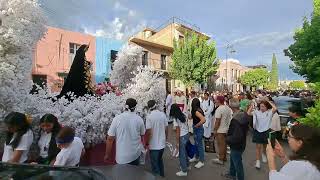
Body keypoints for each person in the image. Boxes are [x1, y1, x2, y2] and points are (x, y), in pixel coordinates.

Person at [104, 98, 146, 165]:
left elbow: (110, 139)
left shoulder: (117, 119)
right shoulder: (139, 119)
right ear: (135, 107)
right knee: (135, 174)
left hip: (121, 157)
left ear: (125, 106)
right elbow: (142, 135)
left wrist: (107, 154)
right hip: (135, 155)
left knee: (122, 175)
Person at [222, 99, 249, 180]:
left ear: (231, 107)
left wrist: (227, 139)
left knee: (237, 162)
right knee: (234, 159)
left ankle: (240, 178)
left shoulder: (236, 119)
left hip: (237, 144)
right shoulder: (243, 113)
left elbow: (236, 136)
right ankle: (232, 173)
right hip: (241, 142)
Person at [247, 100, 277, 169]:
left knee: (265, 145)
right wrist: (251, 106)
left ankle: (263, 154)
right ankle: (258, 161)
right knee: (258, 147)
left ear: (267, 107)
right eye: (260, 106)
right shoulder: (257, 112)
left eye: (263, 106)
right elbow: (248, 113)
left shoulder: (269, 112)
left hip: (266, 131)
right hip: (258, 131)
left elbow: (275, 108)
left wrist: (268, 101)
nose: (262, 108)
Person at [145, 100, 168, 177]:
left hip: (154, 145)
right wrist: (165, 139)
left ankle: (158, 177)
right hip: (162, 144)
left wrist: (147, 142)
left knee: (155, 166)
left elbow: (149, 132)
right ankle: (162, 176)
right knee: (160, 161)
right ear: (156, 106)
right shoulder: (162, 114)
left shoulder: (149, 117)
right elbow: (166, 129)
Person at [170, 104, 190, 177]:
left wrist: (177, 142)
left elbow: (178, 132)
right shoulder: (183, 115)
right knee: (185, 152)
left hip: (182, 136)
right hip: (187, 134)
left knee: (181, 154)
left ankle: (184, 170)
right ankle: (187, 165)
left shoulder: (176, 119)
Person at [212, 96, 233, 165]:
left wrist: (215, 130)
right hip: (226, 129)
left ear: (218, 101)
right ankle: (223, 157)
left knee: (220, 144)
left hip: (220, 130)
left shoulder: (219, 109)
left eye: (216, 100)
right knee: (224, 144)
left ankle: (221, 159)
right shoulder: (227, 108)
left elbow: (218, 121)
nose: (215, 101)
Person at [189, 98, 206, 169]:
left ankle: (201, 161)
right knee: (196, 143)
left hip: (198, 129)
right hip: (197, 128)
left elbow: (203, 120)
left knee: (199, 145)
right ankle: (196, 157)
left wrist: (197, 125)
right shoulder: (197, 110)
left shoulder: (196, 111)